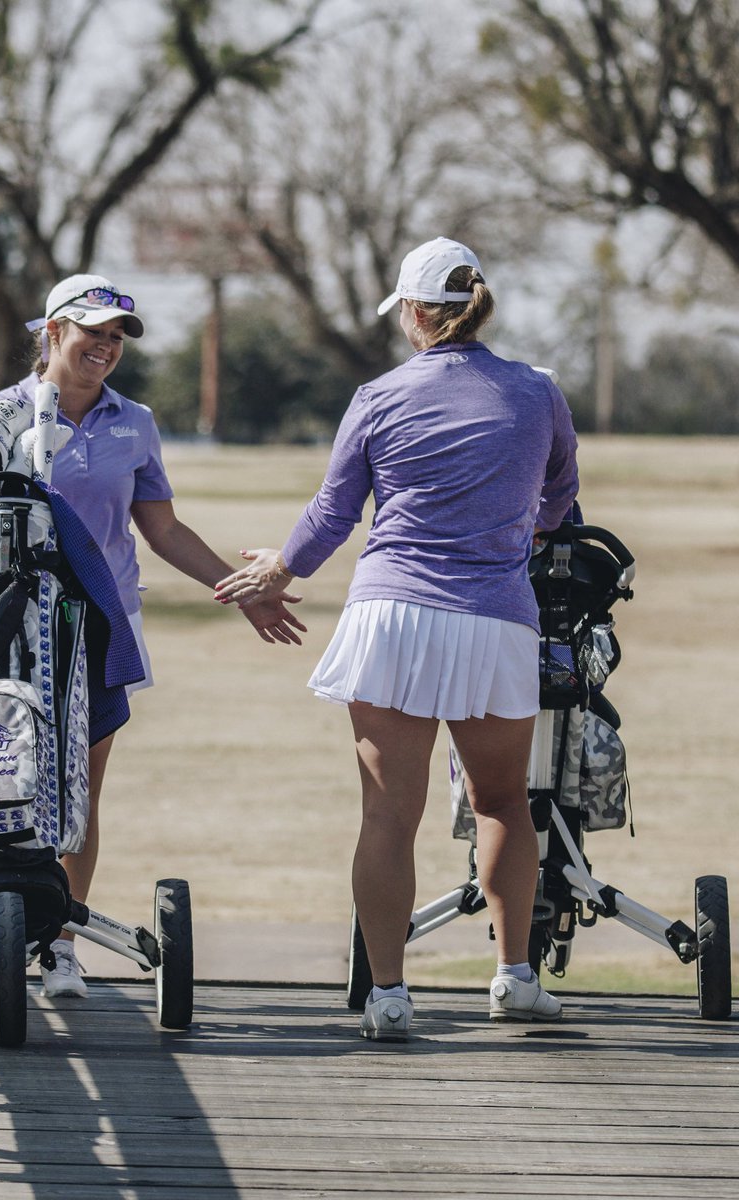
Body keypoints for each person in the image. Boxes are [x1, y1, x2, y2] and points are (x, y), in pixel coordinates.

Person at [214, 237, 579, 1040]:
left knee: (388, 815)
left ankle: (388, 995)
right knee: (504, 804)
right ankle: (515, 977)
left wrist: (281, 568)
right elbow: (558, 504)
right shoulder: (538, 394)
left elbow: (334, 512)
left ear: (415, 314)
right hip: (494, 618)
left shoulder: (379, 395)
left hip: (393, 618)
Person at [0, 273, 305, 998]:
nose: (106, 349)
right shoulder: (1, 415)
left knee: (78, 789)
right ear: (52, 333)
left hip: (100, 624)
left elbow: (164, 529)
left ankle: (61, 946)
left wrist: (240, 591)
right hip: (7, 625)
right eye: (92, 334)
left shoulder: (134, 422)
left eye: (116, 339)